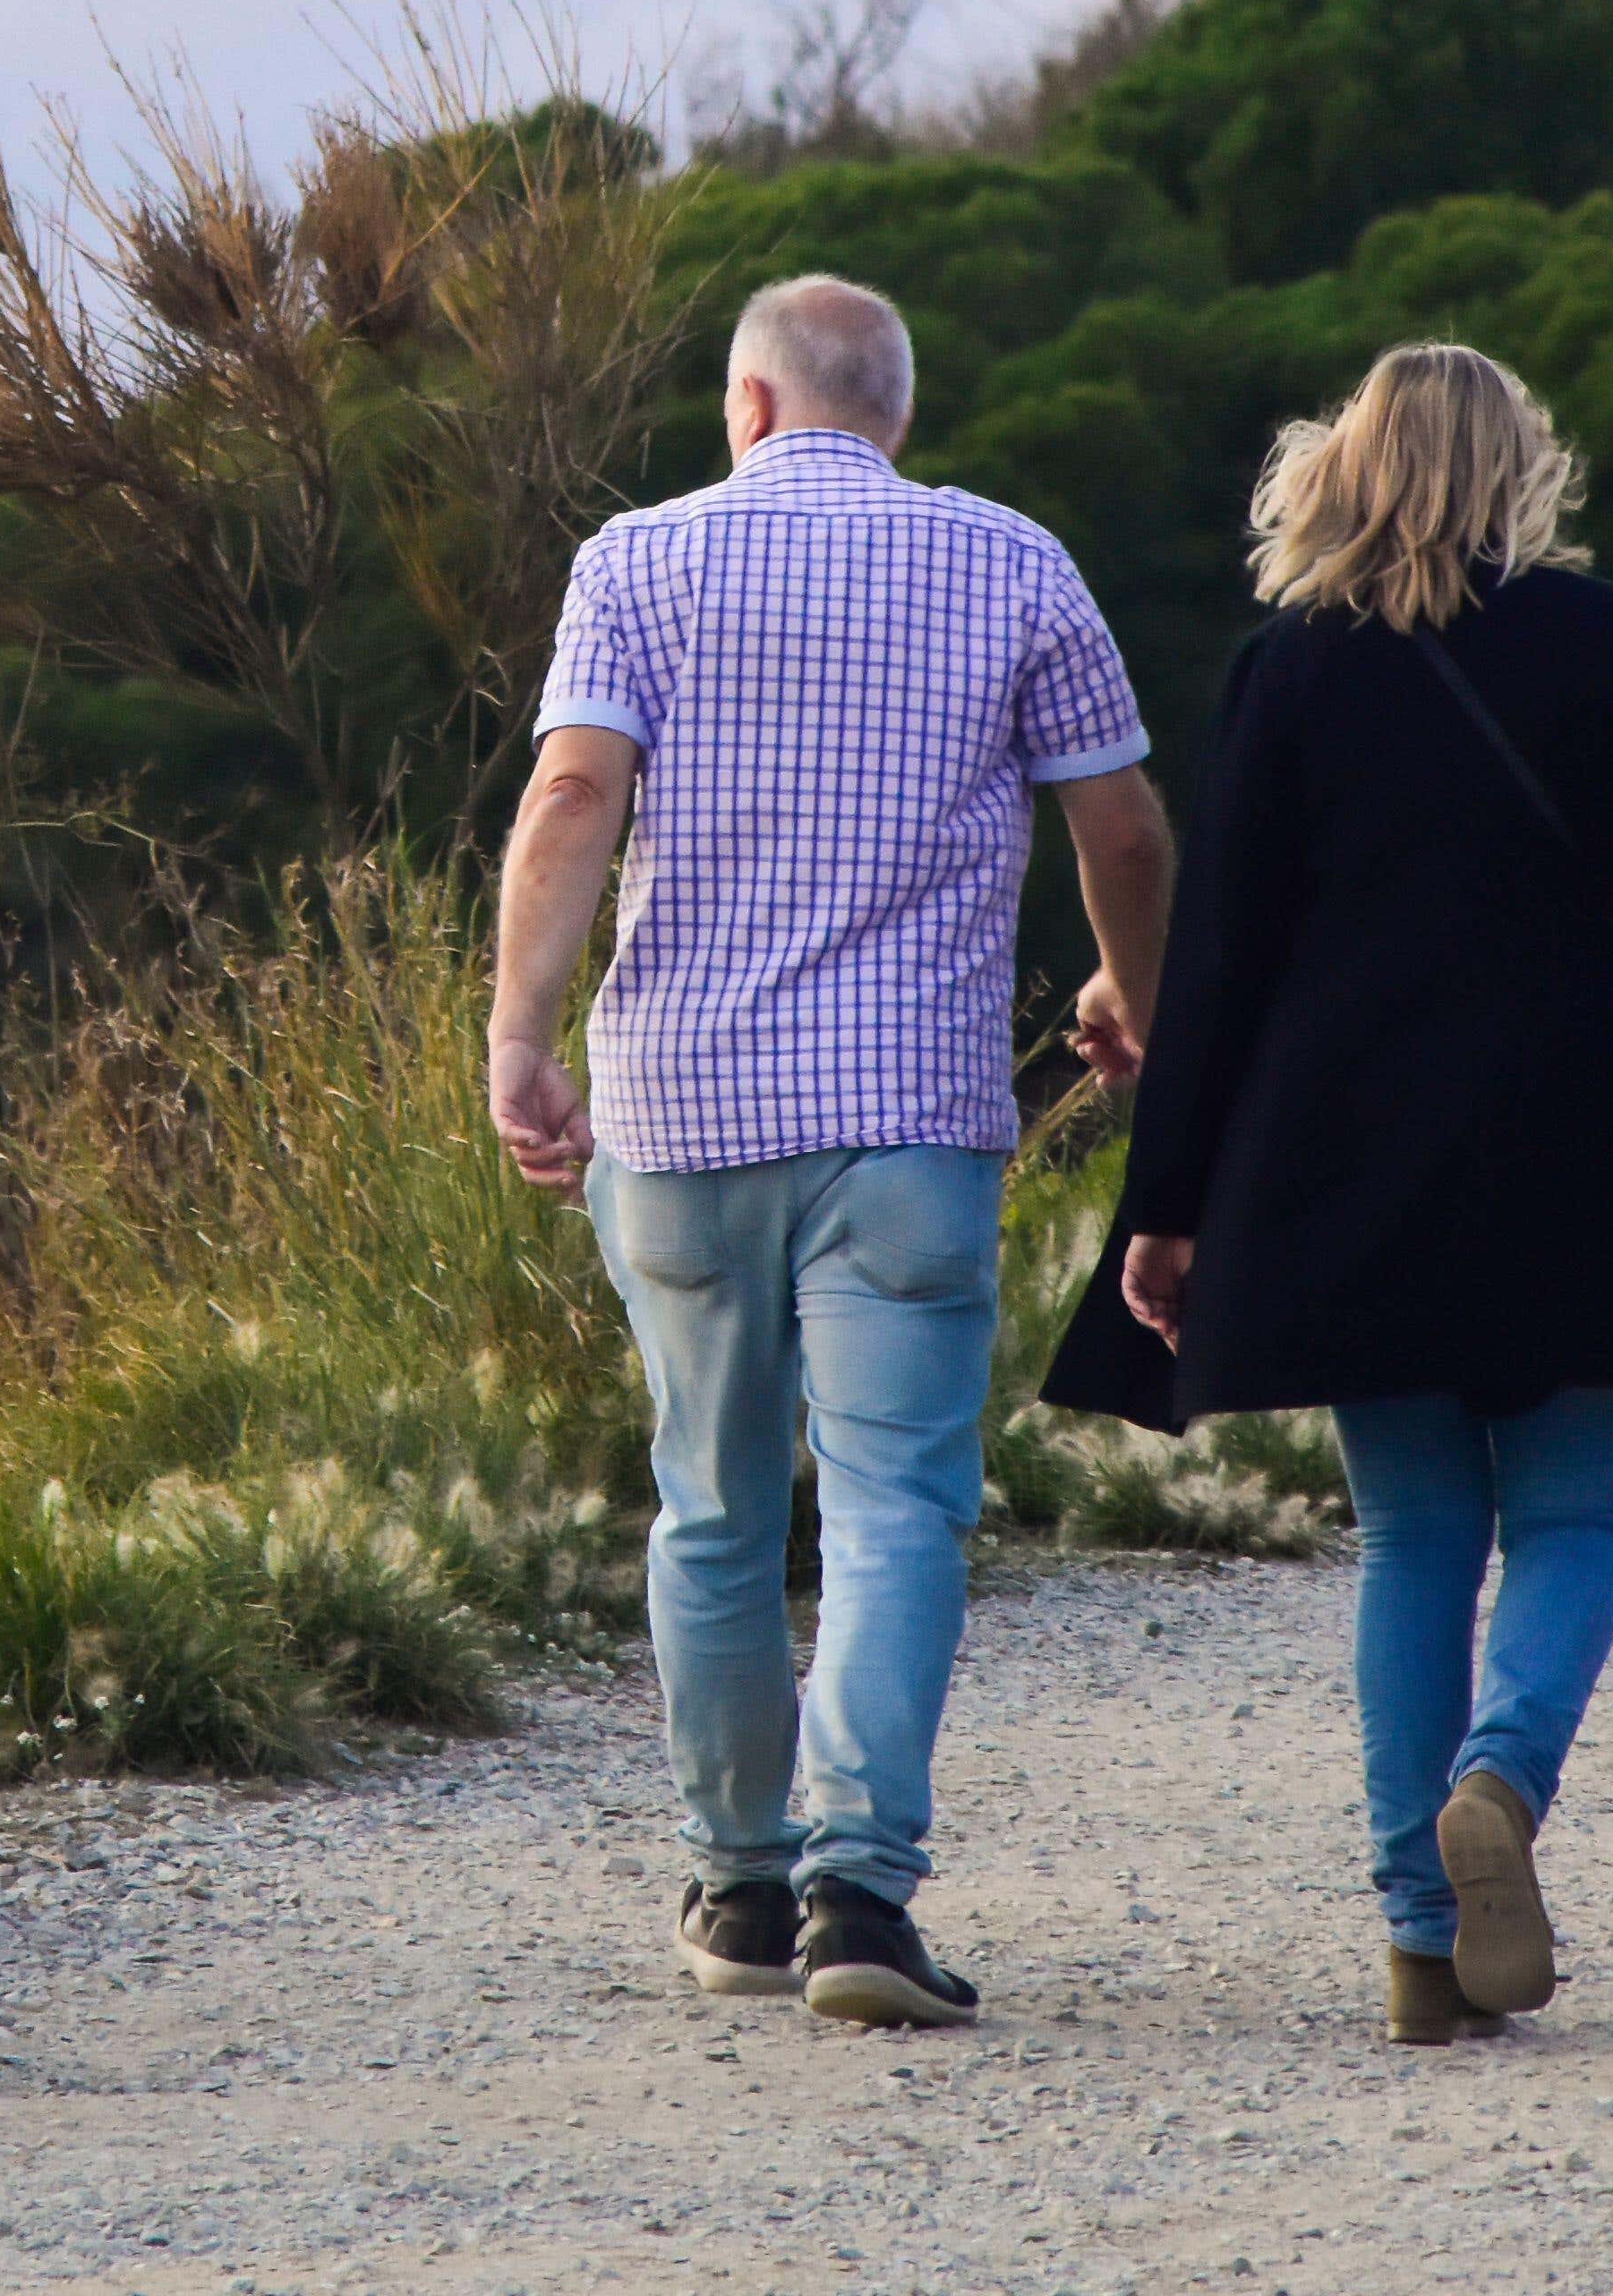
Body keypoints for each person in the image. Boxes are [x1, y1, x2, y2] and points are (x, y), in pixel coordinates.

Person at [1038, 342, 1613, 2048]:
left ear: (1356, 465)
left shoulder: (1291, 670)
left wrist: (1168, 1204)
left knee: (1411, 1535)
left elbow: (1223, 963)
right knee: (1584, 1514)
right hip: (1587, 1134)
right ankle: (1502, 1779)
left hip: (1348, 1152)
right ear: (1525, 470)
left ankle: (1416, 1943)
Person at [486, 272, 1175, 2032]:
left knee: (712, 1505)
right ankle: (858, 1893)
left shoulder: (632, 561)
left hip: (680, 1115)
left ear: (747, 405)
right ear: (897, 416)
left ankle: (736, 1880)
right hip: (909, 1128)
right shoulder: (1015, 559)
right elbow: (1126, 823)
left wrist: (521, 1033)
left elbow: (571, 796)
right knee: (892, 1512)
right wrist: (1137, 994)